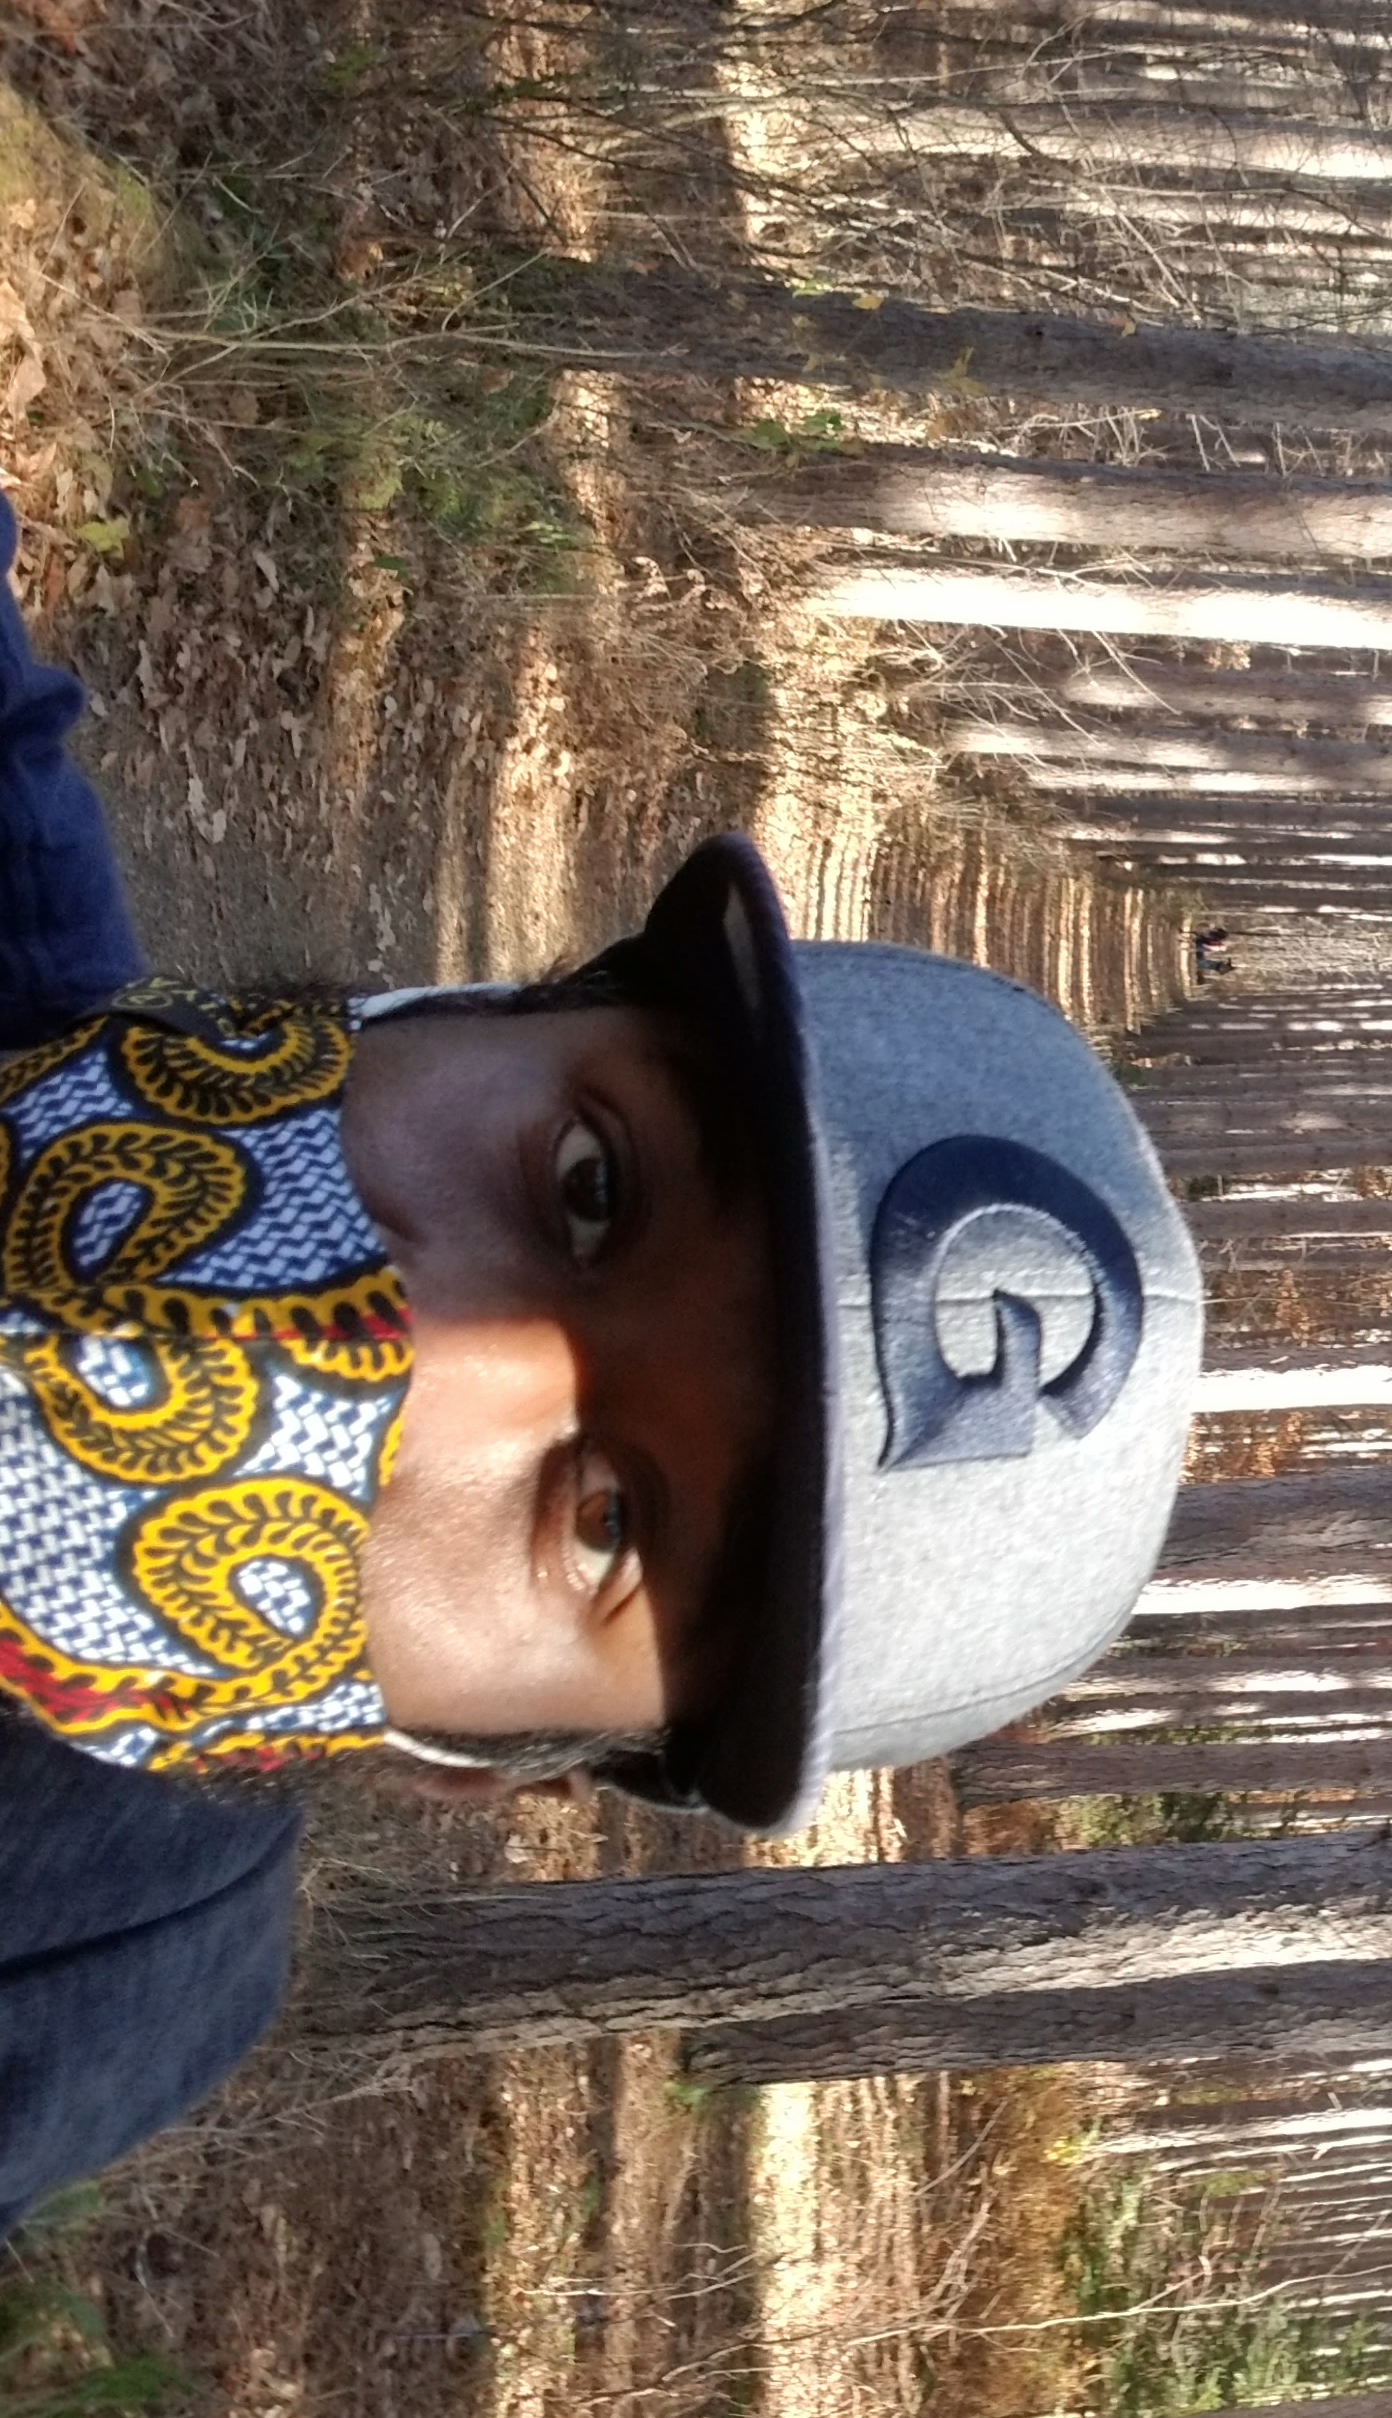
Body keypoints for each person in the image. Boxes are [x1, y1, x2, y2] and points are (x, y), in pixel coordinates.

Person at [0, 493, 1203, 2231]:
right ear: (464, 1010)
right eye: (587, 1187)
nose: (417, 1353)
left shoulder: (87, 1965)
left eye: (604, 1523)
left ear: (470, 1754)